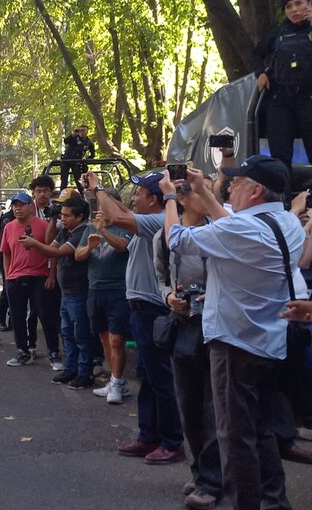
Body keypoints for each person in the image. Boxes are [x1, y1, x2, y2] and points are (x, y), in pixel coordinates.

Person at [166, 156, 307, 510]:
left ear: (256, 190)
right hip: (268, 341)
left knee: (234, 437)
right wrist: (203, 190)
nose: (230, 188)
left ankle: (246, 503)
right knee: (259, 430)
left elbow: (176, 239)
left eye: (238, 183)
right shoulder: (287, 221)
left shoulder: (240, 230)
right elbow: (235, 225)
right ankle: (275, 502)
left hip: (234, 342)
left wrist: (170, 197)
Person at [85, 169, 184, 465]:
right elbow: (122, 214)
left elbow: (117, 216)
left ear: (154, 199)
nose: (133, 198)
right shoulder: (149, 218)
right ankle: (149, 435)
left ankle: (172, 442)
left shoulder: (158, 220)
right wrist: (98, 195)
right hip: (141, 309)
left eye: (139, 193)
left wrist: (99, 189)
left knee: (160, 380)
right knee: (148, 377)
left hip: (154, 309)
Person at [155, 178, 223, 510]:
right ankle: (200, 473)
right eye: (201, 191)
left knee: (213, 408)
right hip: (181, 325)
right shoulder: (163, 236)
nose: (210, 195)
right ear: (181, 200)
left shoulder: (219, 230)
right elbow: (159, 276)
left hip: (213, 328)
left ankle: (212, 481)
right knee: (189, 407)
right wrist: (168, 295)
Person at [20, 196, 93, 389]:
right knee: (67, 333)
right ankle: (71, 369)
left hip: (80, 292)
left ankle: (85, 372)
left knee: (81, 335)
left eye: (67, 216)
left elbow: (58, 252)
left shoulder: (83, 232)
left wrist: (34, 244)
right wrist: (53, 221)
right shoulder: (66, 231)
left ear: (80, 216)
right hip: (67, 293)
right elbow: (49, 243)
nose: (64, 219)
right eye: (62, 215)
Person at [75, 188, 133, 404]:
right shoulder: (90, 227)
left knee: (117, 339)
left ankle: (117, 383)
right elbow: (78, 255)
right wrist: (89, 246)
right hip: (95, 289)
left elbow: (122, 247)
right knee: (104, 338)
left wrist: (103, 231)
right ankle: (116, 380)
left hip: (119, 290)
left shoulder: (126, 227)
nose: (101, 209)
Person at [252, 0, 312, 184]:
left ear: (308, 4)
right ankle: (281, 202)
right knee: (279, 157)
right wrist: (261, 74)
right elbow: (257, 53)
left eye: (299, 4)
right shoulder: (278, 32)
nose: (294, 10)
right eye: (288, 6)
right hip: (281, 101)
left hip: (308, 99)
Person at [0, 192, 50, 367]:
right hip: (15, 278)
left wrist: (51, 275)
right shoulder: (9, 227)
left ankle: (54, 353)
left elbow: (53, 251)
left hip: (39, 276)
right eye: (15, 205)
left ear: (31, 206)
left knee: (44, 314)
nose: (17, 208)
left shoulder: (43, 225)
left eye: (21, 205)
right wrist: (7, 277)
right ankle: (23, 352)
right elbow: (6, 252)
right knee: (17, 316)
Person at [29, 175, 64, 369]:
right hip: (33, 268)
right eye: (39, 191)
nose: (42, 195)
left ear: (51, 192)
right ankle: (30, 345)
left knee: (50, 310)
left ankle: (55, 351)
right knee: (33, 311)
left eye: (46, 191)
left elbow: (55, 242)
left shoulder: (59, 209)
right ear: (33, 193)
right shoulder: (27, 211)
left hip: (55, 266)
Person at [0, 205, 15, 331]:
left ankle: (14, 319)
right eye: (16, 205)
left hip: (22, 256)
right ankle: (0, 317)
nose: (19, 208)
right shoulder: (7, 218)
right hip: (6, 255)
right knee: (8, 286)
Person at [60, 125, 95, 190]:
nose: (81, 132)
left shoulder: (89, 142)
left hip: (77, 162)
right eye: (80, 130)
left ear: (87, 132)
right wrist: (72, 135)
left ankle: (82, 194)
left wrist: (85, 161)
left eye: (83, 130)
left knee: (78, 180)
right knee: (64, 179)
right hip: (66, 160)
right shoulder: (74, 137)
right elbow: (65, 141)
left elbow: (92, 154)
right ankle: (62, 194)